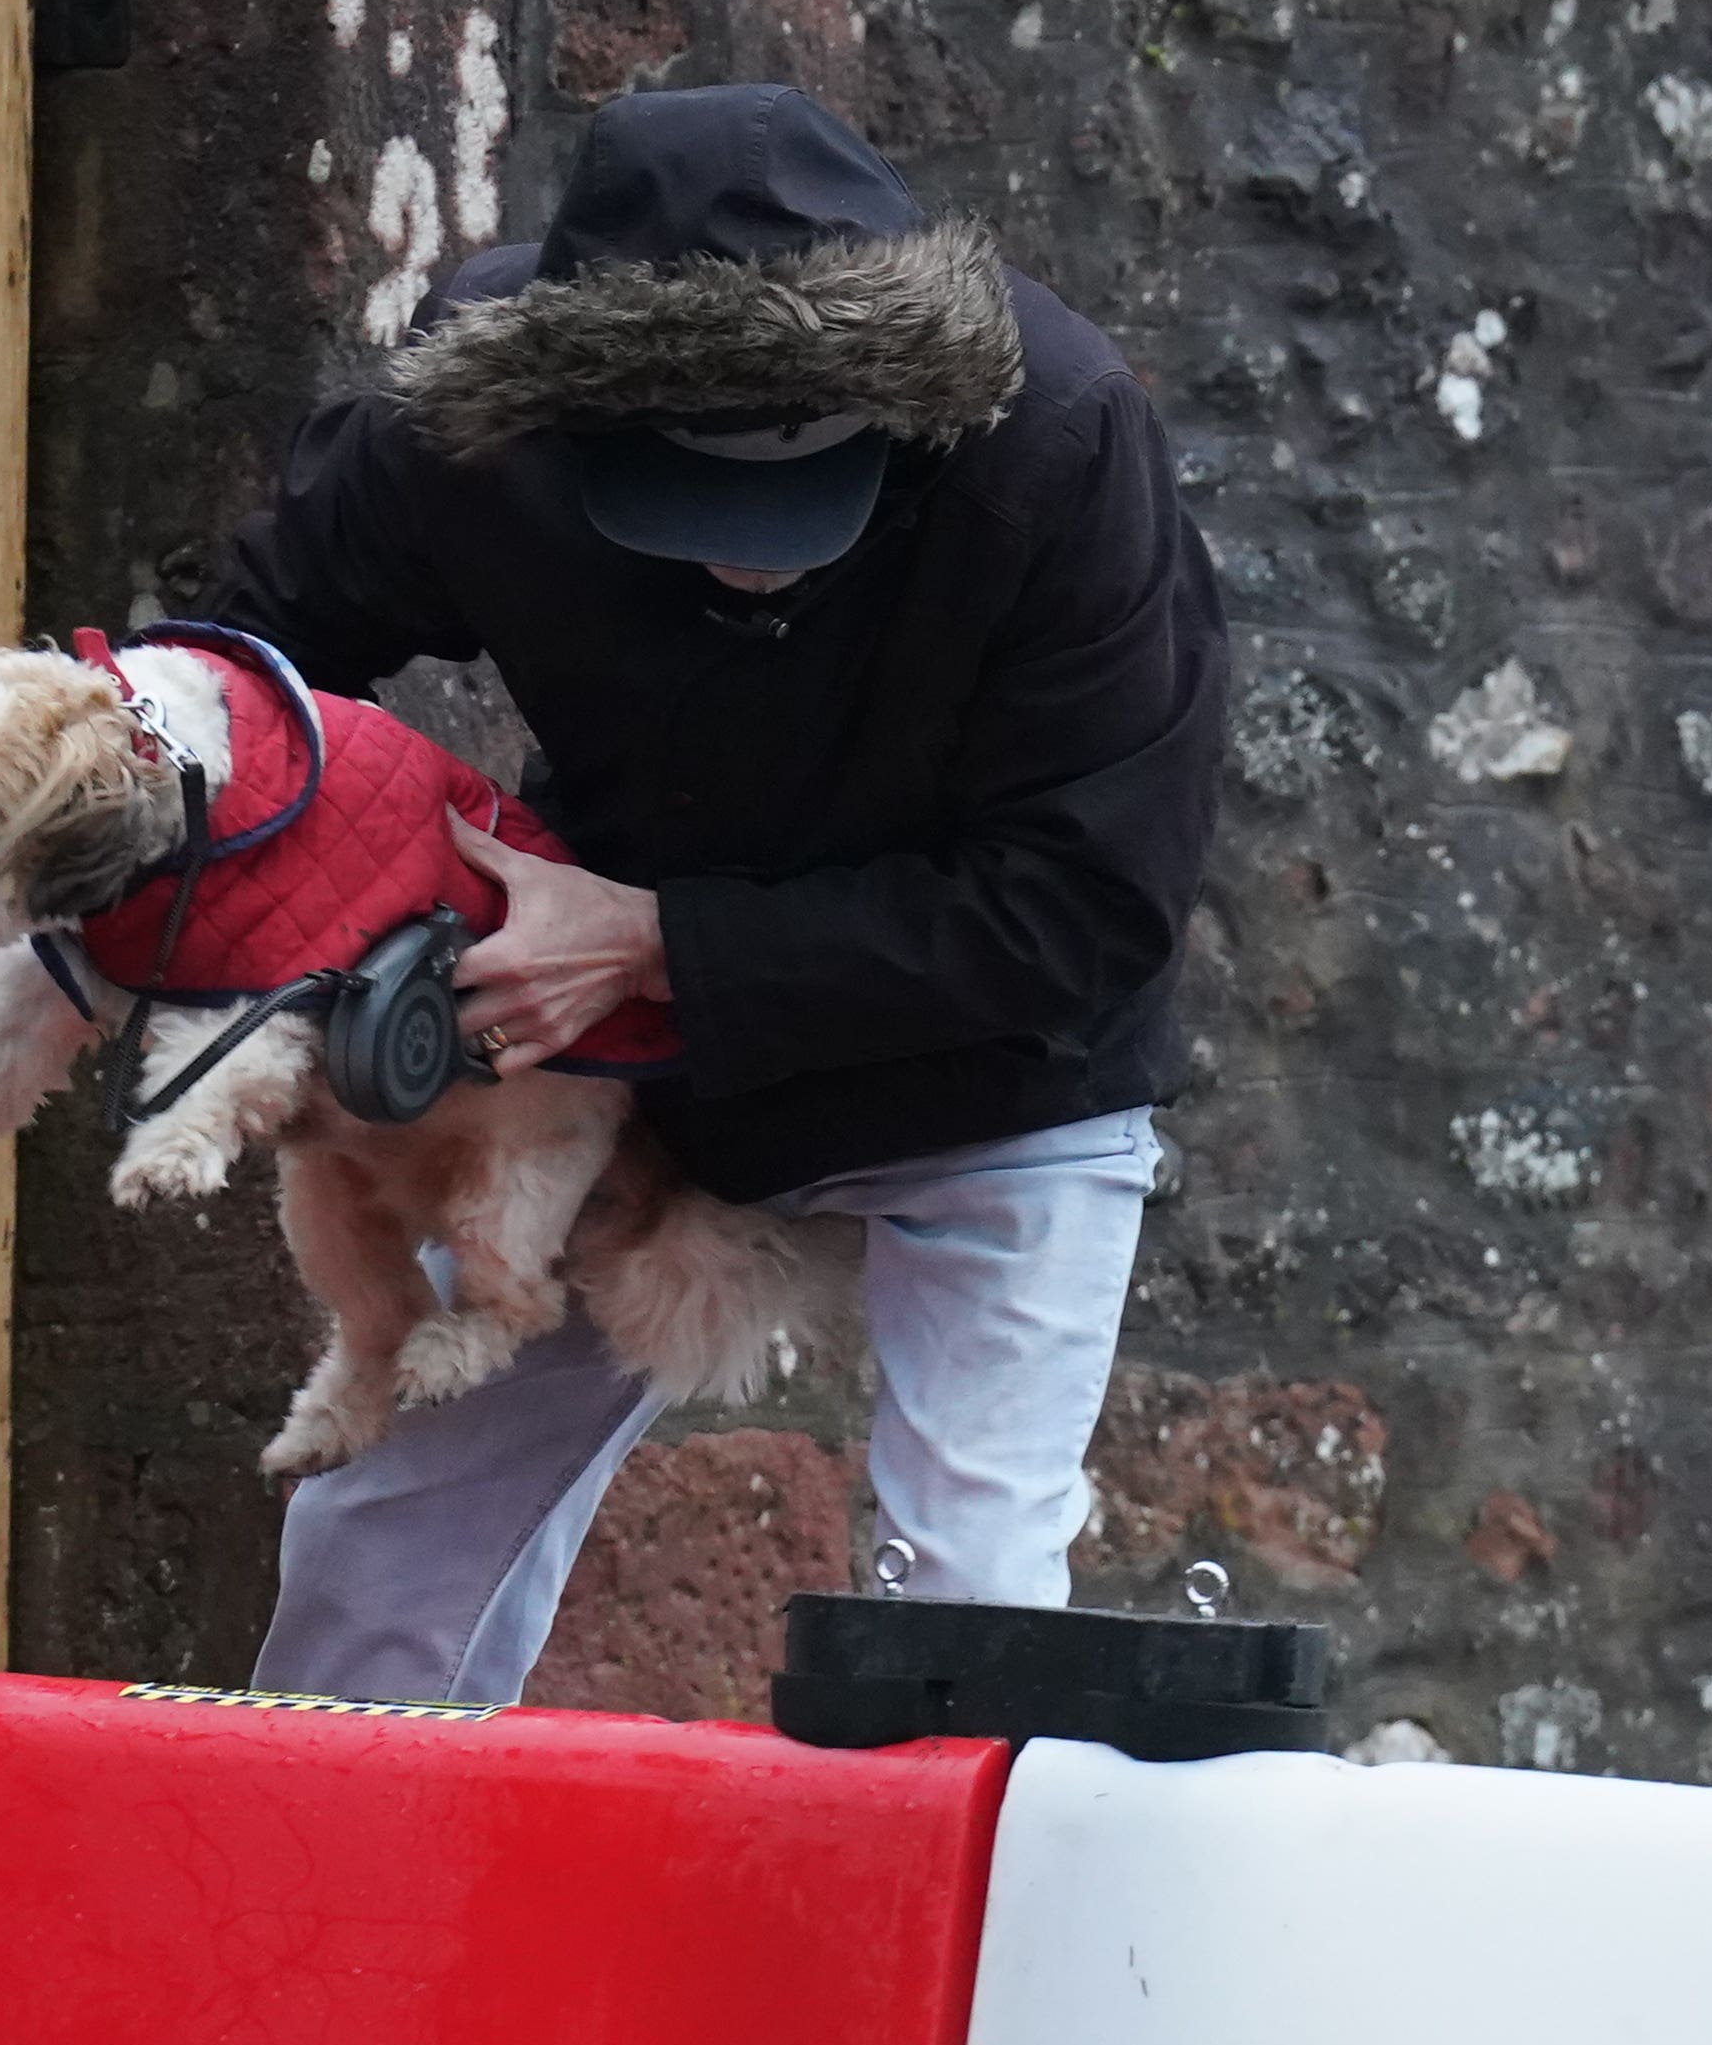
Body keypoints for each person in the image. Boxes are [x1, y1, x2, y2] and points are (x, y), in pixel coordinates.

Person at [203, 84, 1232, 1705]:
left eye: (802, 490)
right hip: (630, 1076)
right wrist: (283, 885)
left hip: (1000, 1065)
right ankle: (326, 1932)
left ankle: (938, 1953)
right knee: (381, 1542)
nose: (755, 557)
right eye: (702, 502)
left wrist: (658, 941)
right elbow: (252, 661)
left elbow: (1090, 906)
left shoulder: (1062, 436)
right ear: (585, 415)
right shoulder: (482, 405)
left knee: (966, 1610)